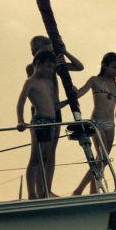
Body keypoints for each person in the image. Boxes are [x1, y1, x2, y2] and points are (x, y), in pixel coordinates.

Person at [24, 36, 83, 198]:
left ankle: (46, 189)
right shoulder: (34, 68)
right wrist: (56, 65)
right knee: (38, 154)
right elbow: (38, 76)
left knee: (51, 152)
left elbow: (79, 67)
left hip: (55, 111)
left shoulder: (54, 66)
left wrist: (64, 52)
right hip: (41, 113)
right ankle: (36, 192)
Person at [71, 52, 116, 195]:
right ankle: (78, 190)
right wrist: (74, 91)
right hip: (96, 123)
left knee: (104, 160)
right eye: (114, 67)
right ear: (104, 66)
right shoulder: (95, 80)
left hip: (110, 125)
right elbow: (81, 92)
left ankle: (93, 191)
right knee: (101, 158)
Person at [16, 50, 65, 198]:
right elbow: (21, 102)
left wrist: (72, 98)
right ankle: (32, 193)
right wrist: (20, 120)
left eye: (52, 67)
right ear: (37, 64)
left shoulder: (49, 82)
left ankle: (43, 190)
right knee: (35, 158)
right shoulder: (30, 82)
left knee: (46, 156)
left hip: (51, 122)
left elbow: (55, 105)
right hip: (39, 121)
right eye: (48, 67)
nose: (50, 70)